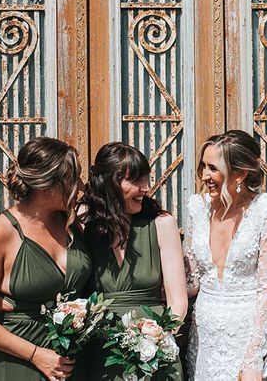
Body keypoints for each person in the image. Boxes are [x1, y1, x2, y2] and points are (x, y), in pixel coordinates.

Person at [0, 136, 91, 381]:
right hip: (18, 364)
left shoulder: (73, 226)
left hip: (69, 364)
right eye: (73, 178)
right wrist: (35, 355)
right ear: (46, 185)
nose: (81, 186)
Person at [183, 130, 267, 381]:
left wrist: (252, 359)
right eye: (203, 167)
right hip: (205, 339)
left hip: (247, 336)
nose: (205, 176)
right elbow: (193, 281)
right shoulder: (196, 208)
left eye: (213, 168)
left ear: (240, 173)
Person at [80, 142, 187, 380]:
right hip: (98, 351)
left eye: (146, 179)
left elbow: (178, 302)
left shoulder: (162, 224)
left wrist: (154, 343)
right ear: (109, 183)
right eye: (136, 181)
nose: (146, 188)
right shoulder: (83, 226)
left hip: (154, 353)